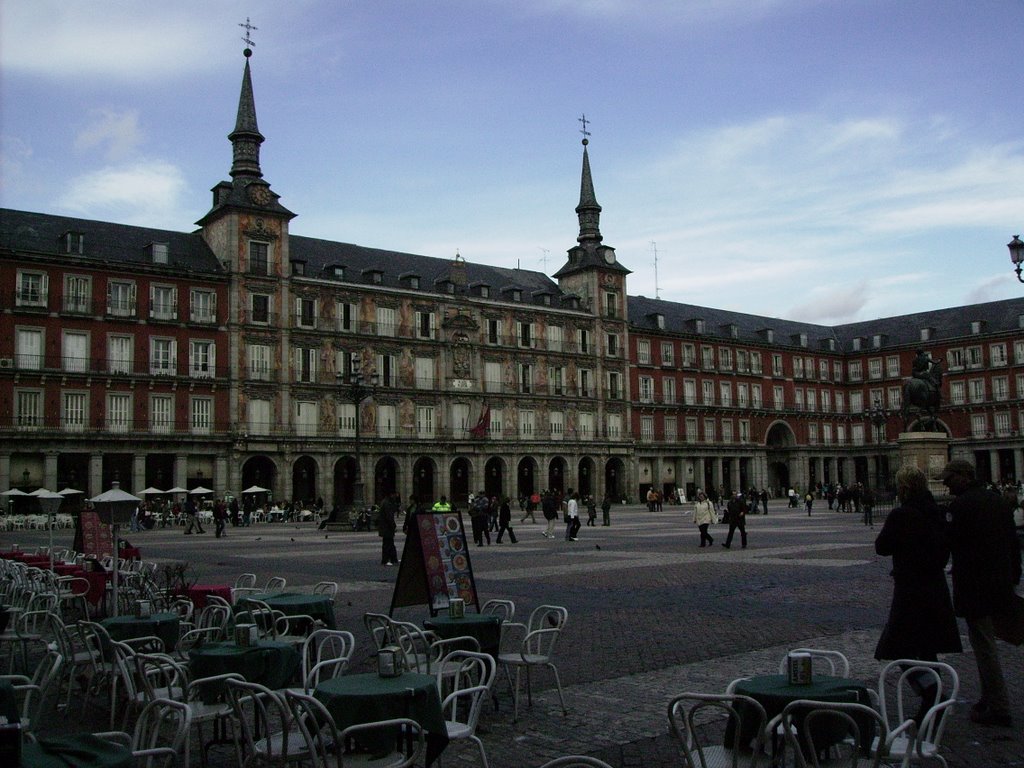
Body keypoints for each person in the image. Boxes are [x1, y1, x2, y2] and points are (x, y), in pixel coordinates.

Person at [874, 466, 962, 722]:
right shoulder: (939, 513)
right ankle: (930, 701)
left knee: (899, 647)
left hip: (910, 590)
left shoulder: (902, 515)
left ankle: (932, 693)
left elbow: (882, 547)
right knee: (926, 647)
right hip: (935, 587)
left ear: (904, 488)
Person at [943, 459, 1021, 727]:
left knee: (984, 646)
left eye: (950, 477)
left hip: (975, 586)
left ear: (964, 477)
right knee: (987, 643)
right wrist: (1014, 577)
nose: (946, 483)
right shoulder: (997, 500)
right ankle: (988, 698)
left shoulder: (960, 506)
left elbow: (949, 544)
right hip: (1001, 584)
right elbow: (1013, 542)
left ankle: (999, 706)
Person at [378, 493, 399, 566]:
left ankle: (393, 559)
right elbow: (389, 516)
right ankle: (385, 560)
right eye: (394, 494)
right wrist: (393, 526)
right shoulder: (387, 503)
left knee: (390, 543)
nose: (395, 496)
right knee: (387, 544)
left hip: (385, 527)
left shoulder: (385, 502)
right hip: (387, 527)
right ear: (391, 495)